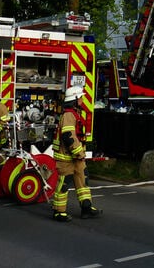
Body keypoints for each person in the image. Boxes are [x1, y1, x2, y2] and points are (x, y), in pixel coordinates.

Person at [52, 85, 100, 221]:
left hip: (76, 158)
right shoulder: (68, 115)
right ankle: (58, 212)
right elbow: (68, 136)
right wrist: (79, 152)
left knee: (83, 180)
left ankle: (86, 207)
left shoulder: (74, 113)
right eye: (81, 97)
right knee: (64, 183)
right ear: (75, 99)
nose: (83, 99)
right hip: (67, 157)